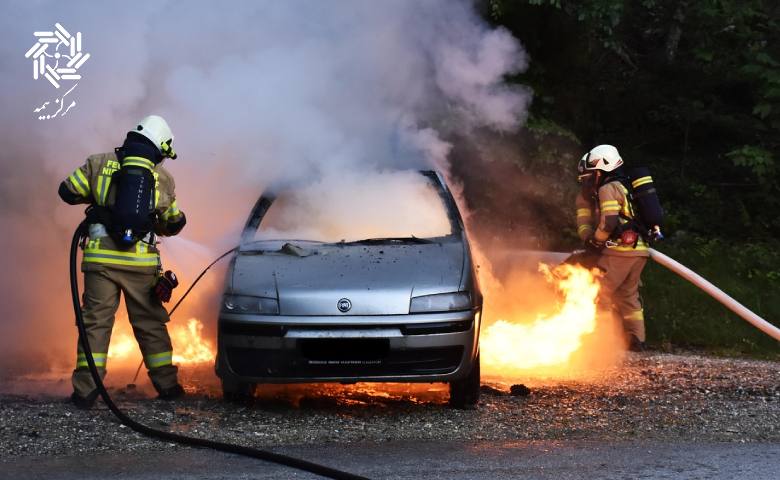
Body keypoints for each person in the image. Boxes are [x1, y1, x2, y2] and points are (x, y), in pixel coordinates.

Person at [59, 115, 187, 408]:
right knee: (150, 324)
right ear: (159, 147)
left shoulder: (97, 162)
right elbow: (172, 223)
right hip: (140, 265)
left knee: (95, 324)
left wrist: (101, 204)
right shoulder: (162, 178)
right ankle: (167, 386)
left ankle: (85, 391)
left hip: (99, 263)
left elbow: (67, 191)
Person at [575, 144, 648, 351]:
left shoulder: (607, 188)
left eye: (591, 174)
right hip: (638, 251)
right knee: (628, 296)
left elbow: (609, 223)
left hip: (619, 251)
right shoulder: (623, 186)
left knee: (598, 292)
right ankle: (637, 340)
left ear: (601, 169)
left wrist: (595, 241)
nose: (588, 180)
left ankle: (602, 342)